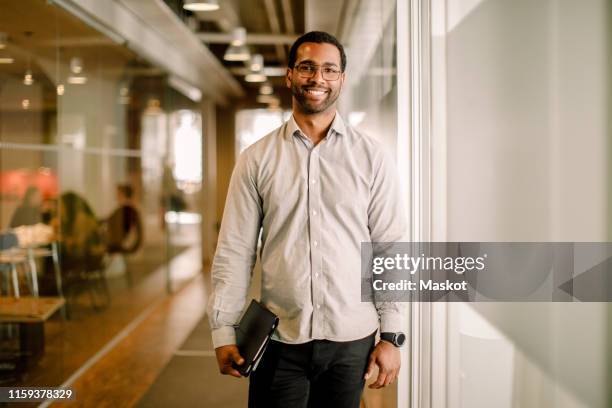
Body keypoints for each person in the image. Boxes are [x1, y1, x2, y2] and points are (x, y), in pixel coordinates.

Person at [208, 31, 407, 408]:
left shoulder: (372, 158)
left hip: (352, 342)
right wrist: (223, 330)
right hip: (280, 340)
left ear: (341, 79)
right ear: (289, 75)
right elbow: (235, 250)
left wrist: (391, 335)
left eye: (329, 70)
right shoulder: (256, 159)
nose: (318, 78)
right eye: (307, 68)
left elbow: (389, 249)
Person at [103, 184, 142, 254]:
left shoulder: (127, 210)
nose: (116, 196)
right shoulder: (127, 209)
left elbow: (124, 233)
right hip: (121, 249)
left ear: (122, 194)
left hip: (121, 249)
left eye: (118, 193)